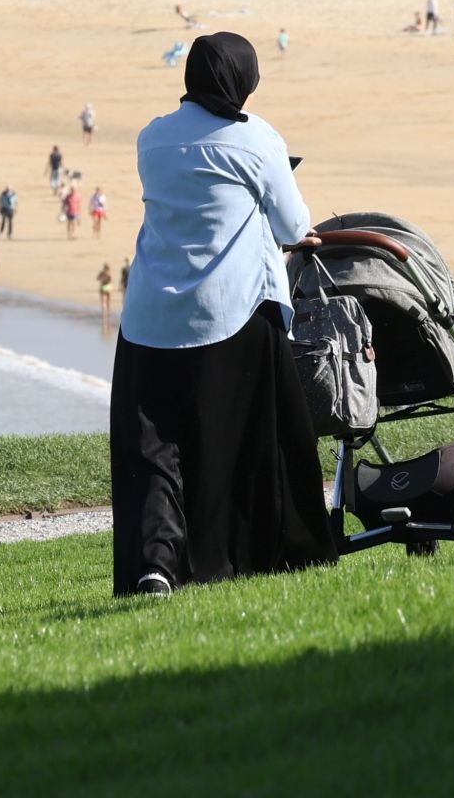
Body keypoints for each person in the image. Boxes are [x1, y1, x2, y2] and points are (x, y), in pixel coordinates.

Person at [112, 32, 335, 597]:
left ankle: (155, 564)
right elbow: (292, 224)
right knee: (239, 442)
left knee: (155, 451)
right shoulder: (257, 140)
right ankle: (247, 555)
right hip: (228, 313)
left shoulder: (151, 138)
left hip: (150, 319)